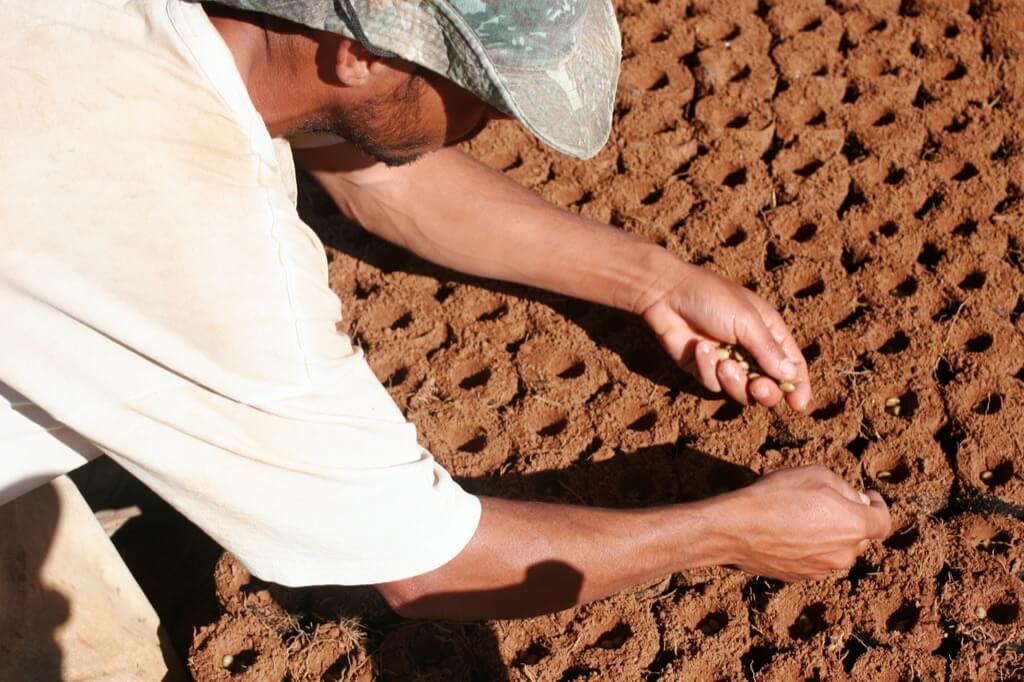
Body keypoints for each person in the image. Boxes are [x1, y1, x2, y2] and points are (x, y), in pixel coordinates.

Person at [0, 0, 891, 677]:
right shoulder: (213, 265)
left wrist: (653, 280)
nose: (488, 121)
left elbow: (376, 173)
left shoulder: (187, 35)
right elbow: (430, 565)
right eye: (477, 90)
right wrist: (733, 532)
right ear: (359, 50)